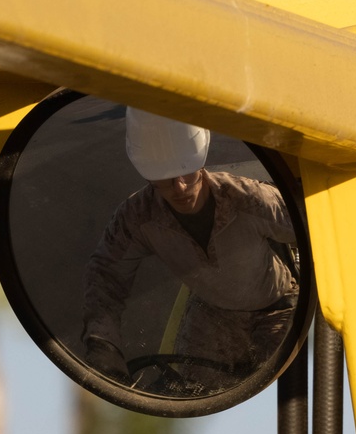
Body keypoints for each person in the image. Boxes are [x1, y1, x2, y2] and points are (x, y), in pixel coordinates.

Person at [81, 107, 299, 394]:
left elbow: (314, 227)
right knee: (189, 395)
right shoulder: (137, 218)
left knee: (280, 386)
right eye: (165, 179)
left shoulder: (249, 199)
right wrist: (102, 344)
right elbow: (106, 274)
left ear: (201, 161)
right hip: (212, 315)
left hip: (277, 307)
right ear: (146, 174)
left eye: (186, 172)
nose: (180, 187)